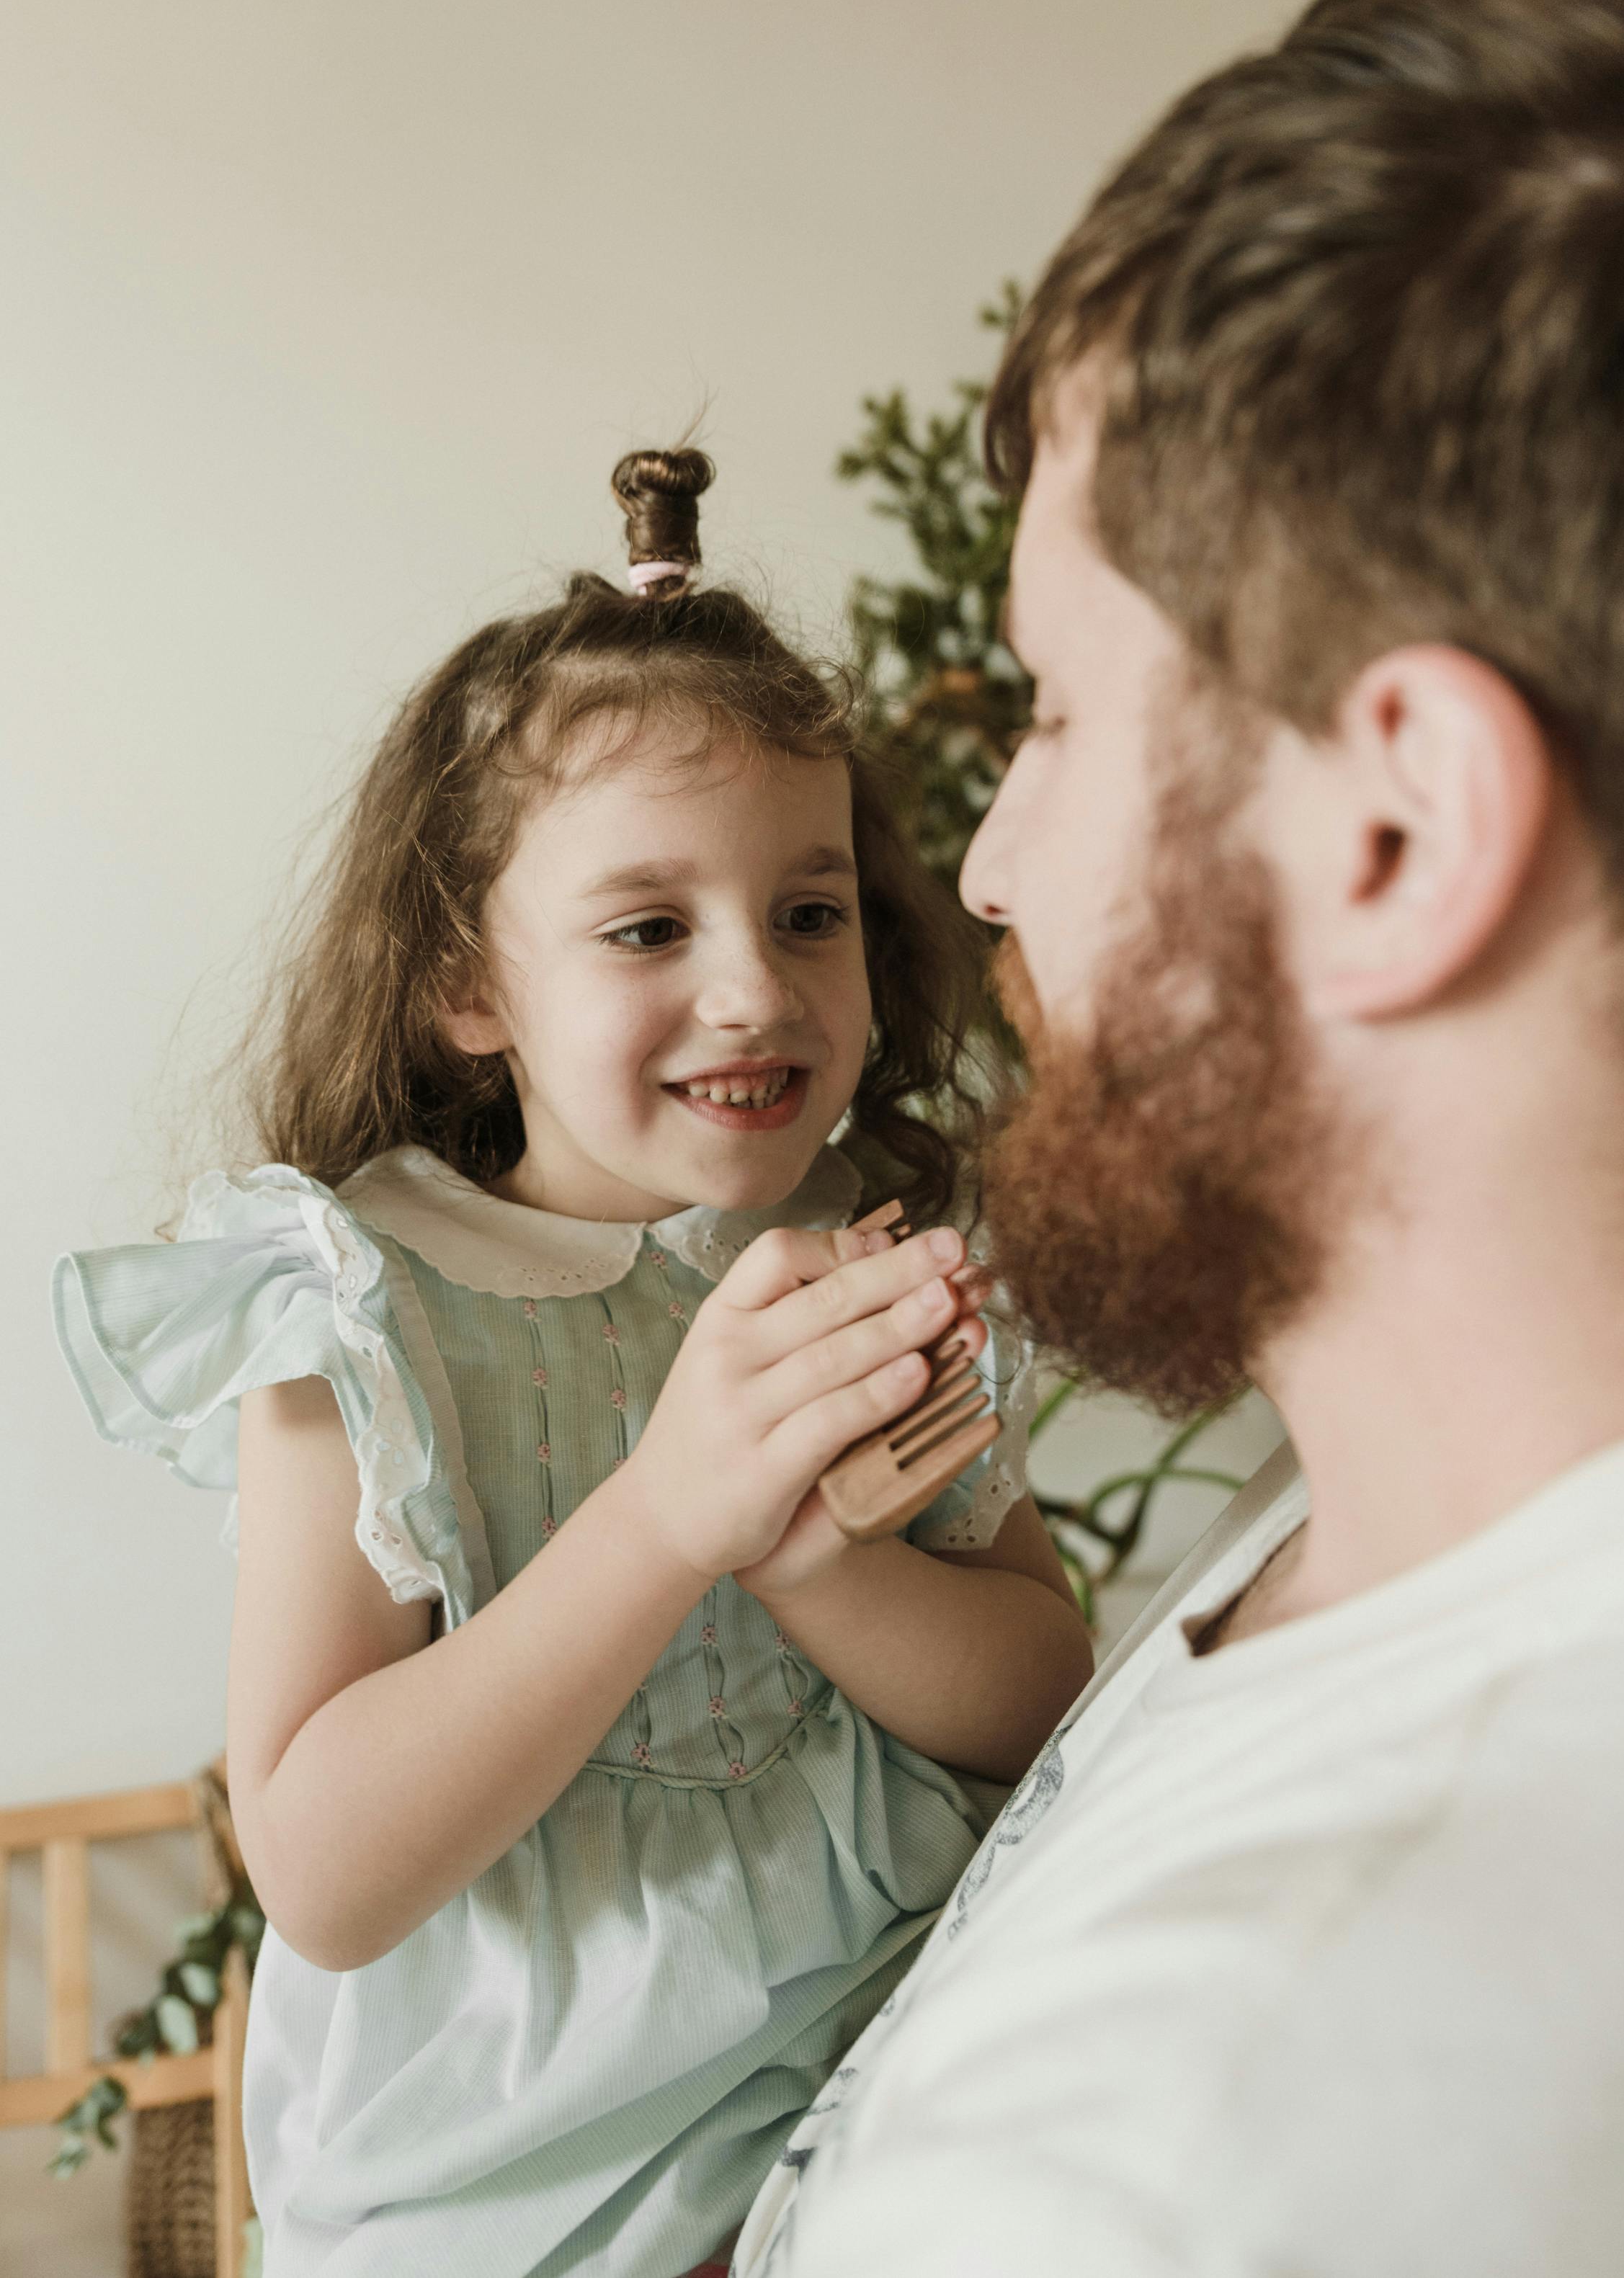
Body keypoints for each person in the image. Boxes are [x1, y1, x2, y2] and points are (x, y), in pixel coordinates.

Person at [735, 0, 1624, 2278]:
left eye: (1053, 712)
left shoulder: (1187, 2158)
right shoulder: (1384, 1525)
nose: (984, 856)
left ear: (1396, 831)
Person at [53, 449, 1092, 2278]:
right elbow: (323, 1869)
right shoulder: (359, 1310)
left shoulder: (862, 1250)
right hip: (504, 2204)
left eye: (811, 908)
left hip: (870, 2106)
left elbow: (1036, 1692)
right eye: (644, 929)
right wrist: (668, 1518)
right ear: (472, 988)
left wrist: (819, 1560)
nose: (757, 989)